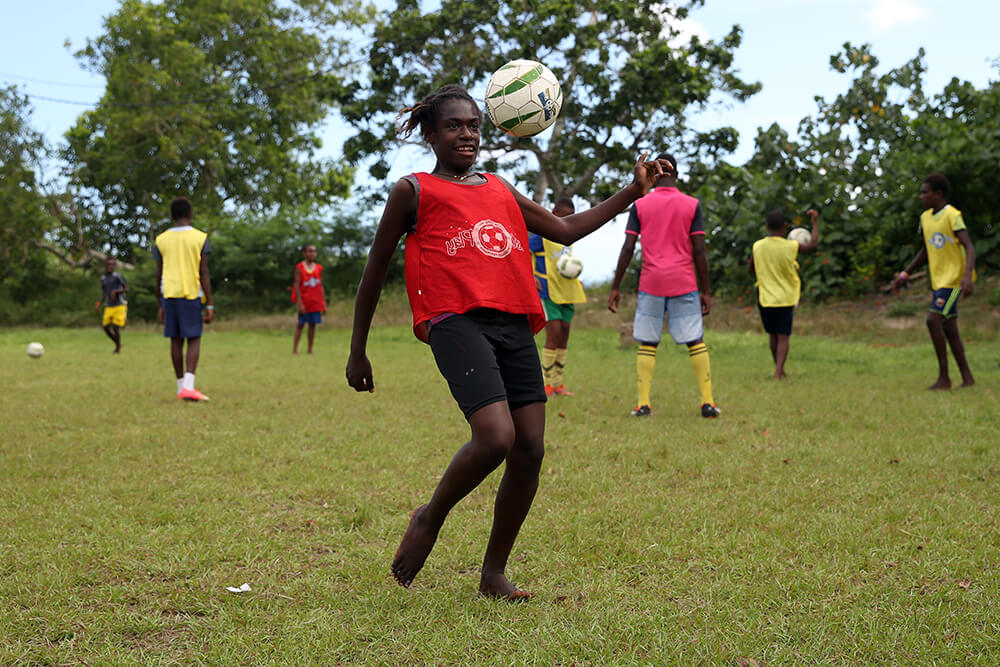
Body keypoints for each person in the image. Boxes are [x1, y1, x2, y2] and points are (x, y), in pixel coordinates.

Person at [345, 84, 662, 599]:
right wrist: (358, 349)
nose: (467, 134)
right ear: (431, 134)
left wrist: (633, 190)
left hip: (514, 322)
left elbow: (564, 228)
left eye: (473, 125)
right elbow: (374, 271)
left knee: (530, 448)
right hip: (454, 321)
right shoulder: (413, 190)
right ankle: (430, 517)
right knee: (496, 437)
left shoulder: (498, 186)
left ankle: (493, 574)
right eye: (454, 125)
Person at [607, 152, 720, 419]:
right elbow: (700, 250)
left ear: (653, 173)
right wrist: (706, 290)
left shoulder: (640, 205)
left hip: (652, 281)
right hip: (684, 281)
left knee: (648, 342)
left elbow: (628, 247)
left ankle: (643, 404)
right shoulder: (692, 204)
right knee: (695, 340)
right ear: (677, 173)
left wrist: (616, 286)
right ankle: (707, 402)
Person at [892, 172, 976, 390]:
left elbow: (969, 246)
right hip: (939, 281)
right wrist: (905, 274)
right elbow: (926, 250)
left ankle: (944, 378)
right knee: (950, 329)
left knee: (933, 320)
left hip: (954, 282)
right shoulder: (925, 218)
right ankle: (967, 378)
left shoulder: (952, 215)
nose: (921, 196)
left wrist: (967, 276)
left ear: (938, 193)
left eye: (925, 192)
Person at [154, 197, 214, 401]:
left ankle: (181, 387)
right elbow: (203, 272)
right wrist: (210, 302)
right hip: (191, 294)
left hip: (169, 294)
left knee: (176, 339)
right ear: (190, 214)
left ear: (171, 216)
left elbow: (158, 274)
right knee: (194, 337)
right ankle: (188, 386)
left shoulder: (161, 239)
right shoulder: (199, 237)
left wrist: (159, 303)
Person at [748, 208, 820, 379]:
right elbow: (812, 245)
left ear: (766, 226)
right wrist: (815, 223)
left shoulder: (757, 246)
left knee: (772, 335)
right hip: (785, 297)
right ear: (785, 227)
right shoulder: (791, 246)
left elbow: (751, 269)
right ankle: (779, 371)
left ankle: (779, 369)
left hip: (764, 296)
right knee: (783, 336)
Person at [528, 197, 587, 396]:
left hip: (567, 291)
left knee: (564, 334)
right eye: (564, 217)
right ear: (554, 214)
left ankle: (558, 384)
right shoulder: (540, 236)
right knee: (553, 333)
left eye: (571, 217)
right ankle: (545, 384)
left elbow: (566, 262)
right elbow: (523, 253)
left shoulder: (568, 237)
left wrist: (576, 277)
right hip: (548, 290)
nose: (567, 222)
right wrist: (531, 275)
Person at [292, 243, 327, 354]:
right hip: (304, 301)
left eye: (314, 251)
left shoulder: (318, 268)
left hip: (315, 302)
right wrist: (299, 303)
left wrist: (323, 303)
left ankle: (310, 350)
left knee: (312, 325)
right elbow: (297, 285)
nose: (313, 253)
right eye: (310, 251)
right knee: (300, 325)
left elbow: (320, 285)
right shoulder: (299, 267)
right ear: (305, 253)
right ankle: (295, 349)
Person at [95, 256, 128, 353]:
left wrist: (116, 292)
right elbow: (105, 293)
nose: (110, 266)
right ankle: (118, 344)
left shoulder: (118, 276)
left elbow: (126, 289)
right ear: (105, 265)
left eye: (113, 264)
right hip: (109, 305)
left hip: (120, 304)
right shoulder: (103, 278)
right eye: (108, 264)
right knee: (105, 327)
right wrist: (99, 302)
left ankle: (117, 349)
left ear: (115, 266)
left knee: (115, 327)